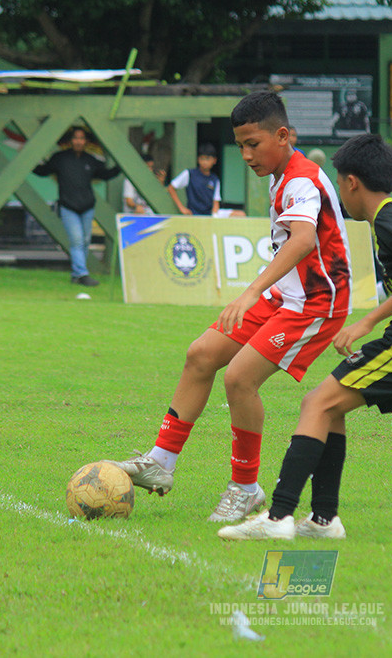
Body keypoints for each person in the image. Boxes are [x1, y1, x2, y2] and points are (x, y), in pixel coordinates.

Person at [113, 91, 353, 522]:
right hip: (287, 296)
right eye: (240, 145)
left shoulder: (301, 179)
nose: (245, 154)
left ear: (282, 136)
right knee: (201, 354)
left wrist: (248, 293)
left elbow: (301, 241)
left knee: (240, 379)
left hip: (318, 304)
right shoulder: (281, 174)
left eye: (252, 144)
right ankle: (161, 462)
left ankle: (245, 488)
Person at [218, 133, 392, 540]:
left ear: (352, 183)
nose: (336, 193)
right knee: (327, 407)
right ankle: (323, 521)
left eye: (338, 183)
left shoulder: (389, 219)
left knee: (316, 403)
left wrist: (366, 322)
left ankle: (278, 517)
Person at [33, 127, 121, 286]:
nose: (78, 141)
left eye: (81, 138)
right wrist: (30, 158)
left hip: (87, 206)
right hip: (68, 206)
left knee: (85, 241)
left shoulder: (90, 160)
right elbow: (42, 171)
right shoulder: (60, 158)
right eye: (75, 138)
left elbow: (105, 174)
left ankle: (76, 275)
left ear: (86, 141)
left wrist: (120, 166)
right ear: (70, 140)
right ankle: (82, 274)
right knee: (77, 240)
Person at [167, 143, 221, 216]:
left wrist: (214, 217)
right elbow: (171, 188)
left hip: (209, 216)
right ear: (198, 159)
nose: (204, 162)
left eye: (207, 159)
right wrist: (181, 208)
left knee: (239, 214)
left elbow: (216, 202)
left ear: (214, 160)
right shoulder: (189, 173)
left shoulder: (215, 179)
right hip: (193, 214)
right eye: (202, 158)